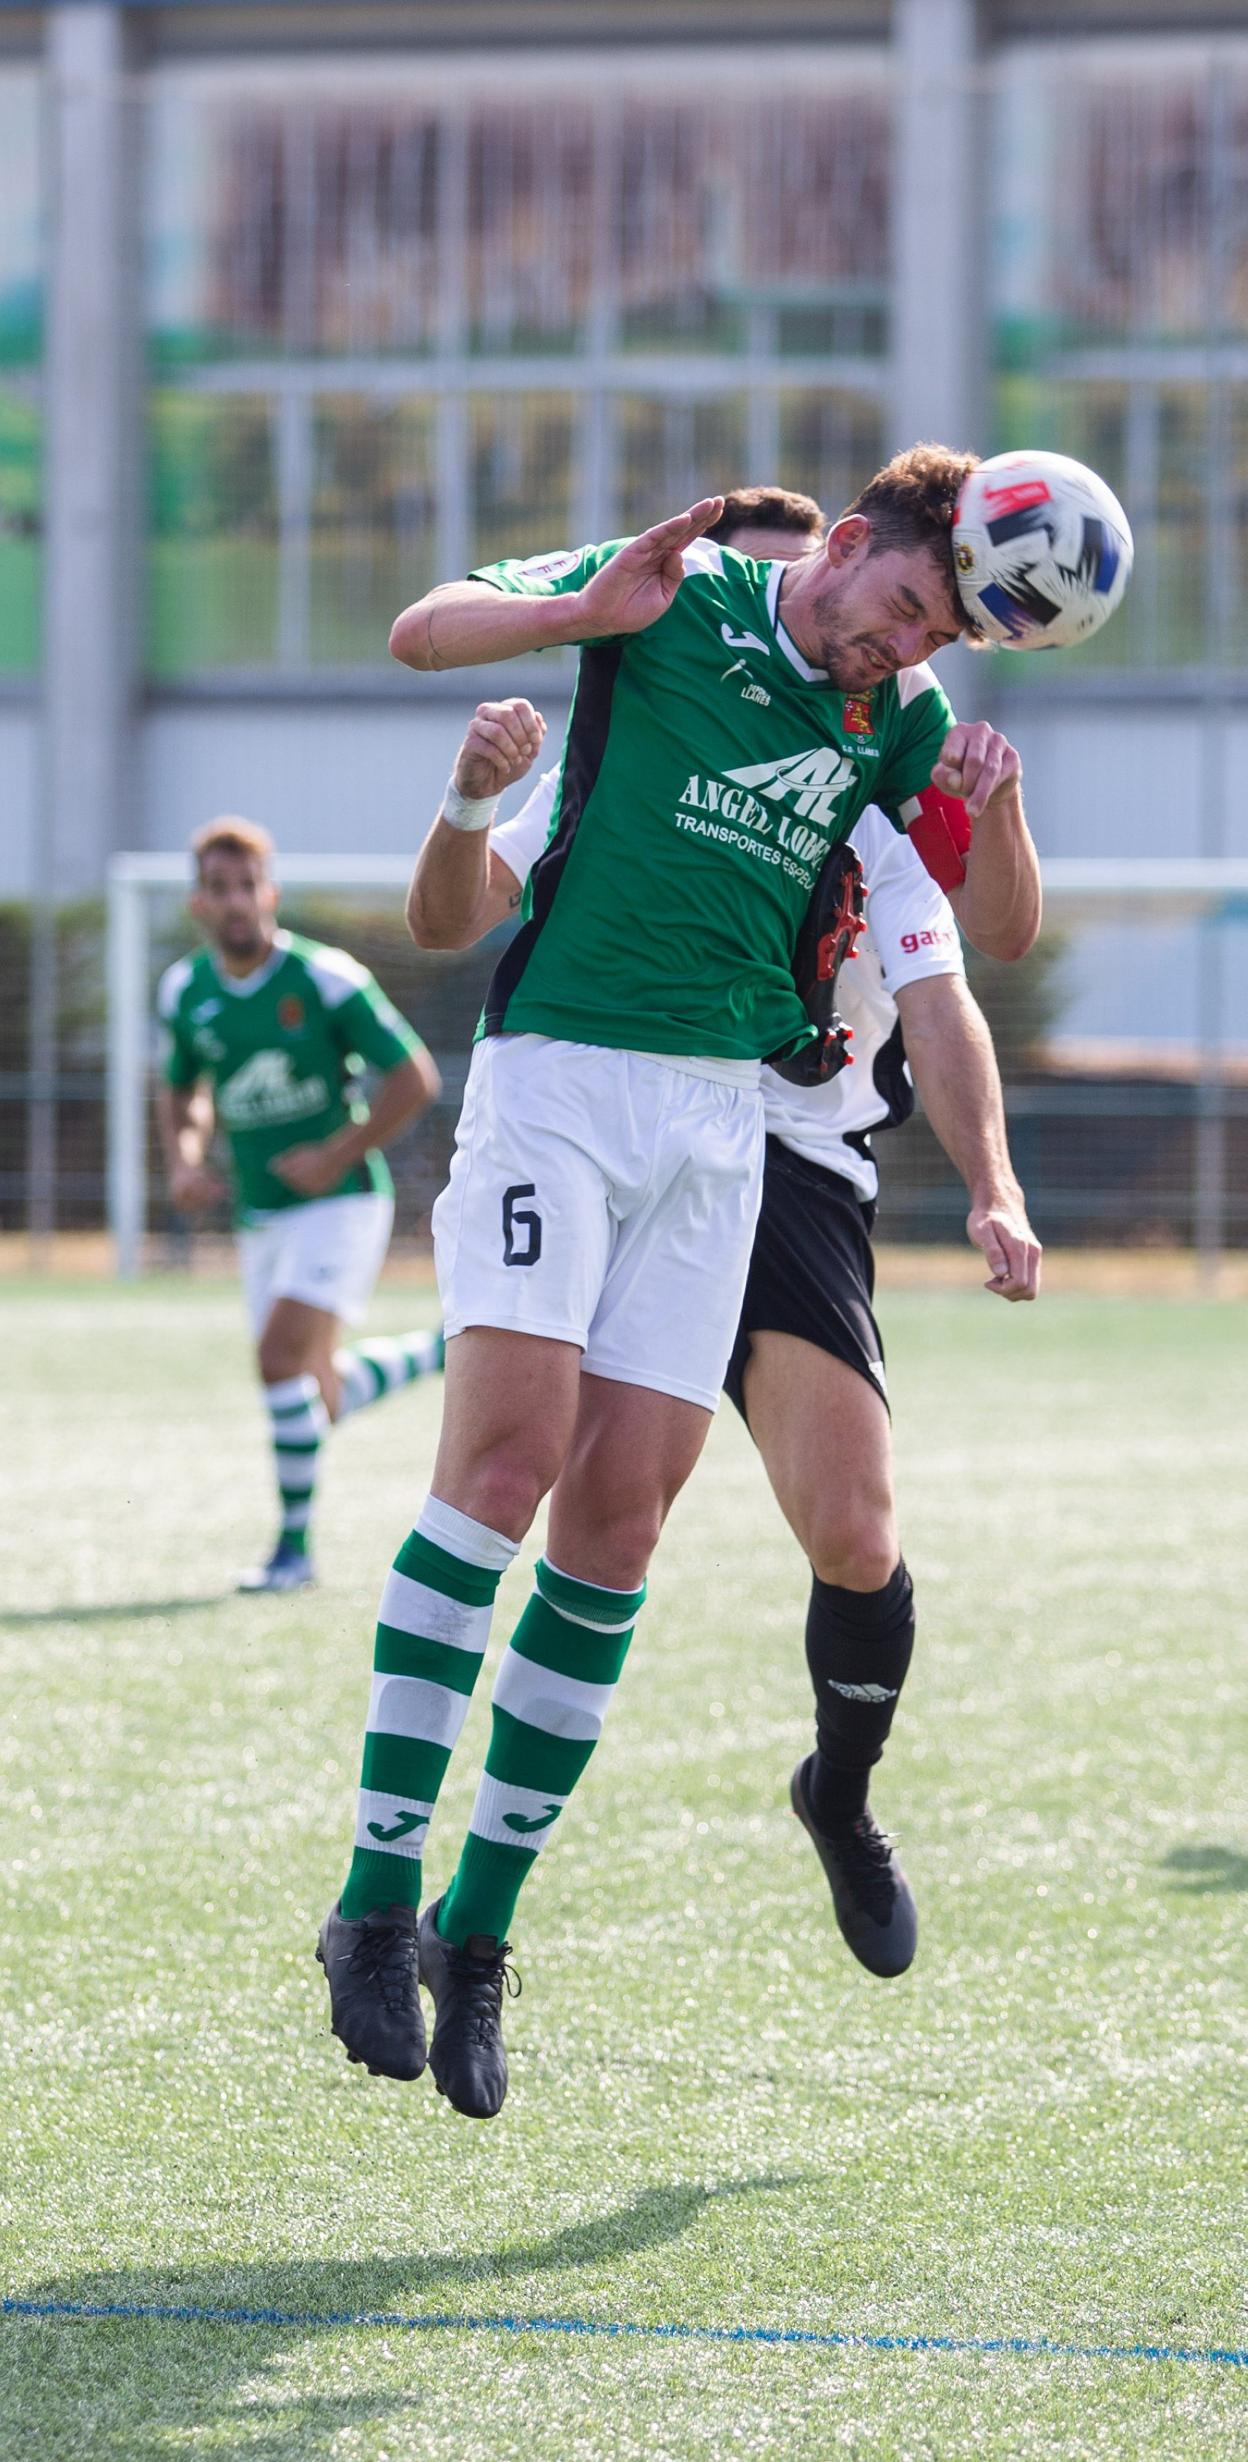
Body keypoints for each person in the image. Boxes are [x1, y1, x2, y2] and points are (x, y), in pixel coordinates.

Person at [317, 447, 1043, 2119]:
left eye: (933, 636)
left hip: (722, 1130)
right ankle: (369, 1894)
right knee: (501, 1466)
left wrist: (988, 798)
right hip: (559, 1081)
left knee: (620, 1526)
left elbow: (975, 952)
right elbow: (420, 630)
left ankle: (472, 1934)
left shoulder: (903, 722)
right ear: (848, 546)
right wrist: (588, 604)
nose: (897, 648)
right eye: (898, 609)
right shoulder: (673, 601)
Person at [156, 816, 443, 1593]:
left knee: (277, 1360)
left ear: (270, 893)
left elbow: (413, 1077)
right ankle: (442, 1350)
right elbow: (182, 1087)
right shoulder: (185, 991)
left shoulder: (327, 978)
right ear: (199, 905)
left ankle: (293, 1552)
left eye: (247, 886)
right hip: (263, 1213)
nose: (236, 902)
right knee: (316, 1389)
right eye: (219, 890)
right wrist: (183, 1160)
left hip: (343, 1203)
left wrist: (334, 1154)